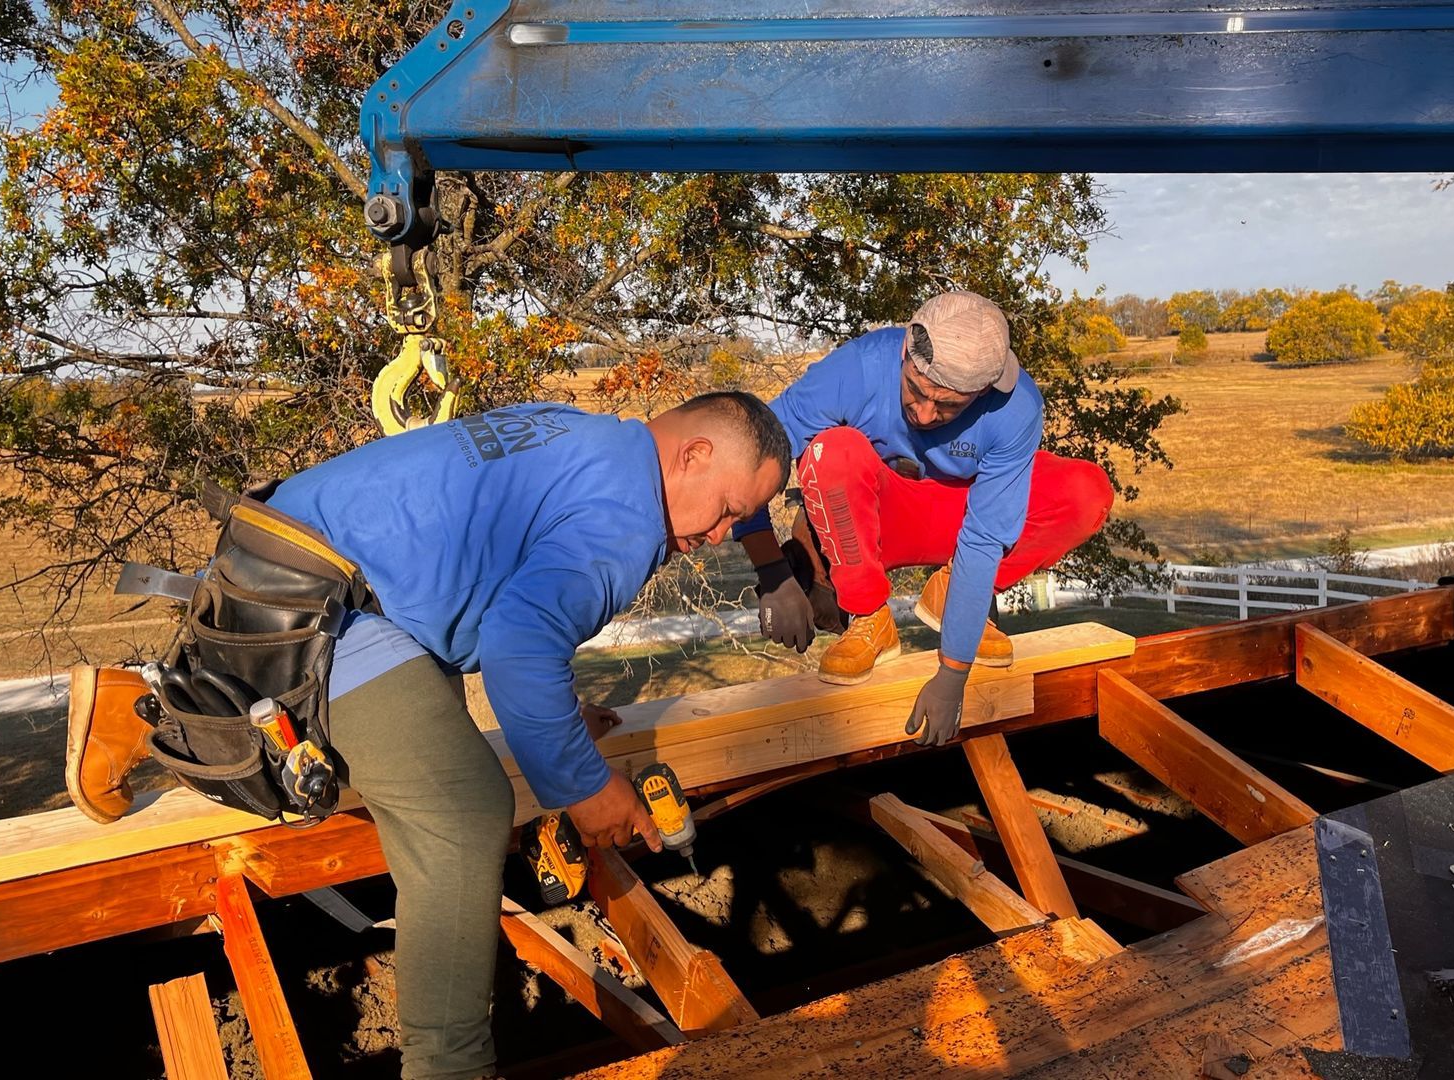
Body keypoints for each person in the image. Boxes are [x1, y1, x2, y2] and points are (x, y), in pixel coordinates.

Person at [70, 391, 790, 1080]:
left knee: (423, 751)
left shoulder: (584, 435)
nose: (719, 539)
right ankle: (452, 1068)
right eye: (730, 512)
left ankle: (148, 708)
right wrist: (587, 789)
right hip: (315, 613)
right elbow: (519, 644)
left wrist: (558, 710)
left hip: (269, 573)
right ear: (692, 454)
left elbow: (491, 569)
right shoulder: (631, 517)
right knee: (463, 807)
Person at [738, 290, 1114, 748]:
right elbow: (751, 462)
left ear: (983, 392)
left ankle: (949, 594)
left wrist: (952, 673)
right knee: (830, 451)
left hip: (964, 523)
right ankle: (869, 617)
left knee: (1085, 492)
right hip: (876, 518)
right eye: (915, 390)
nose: (923, 413)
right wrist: (774, 573)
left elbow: (984, 536)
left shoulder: (1015, 408)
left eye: (948, 406)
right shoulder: (856, 369)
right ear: (904, 351)